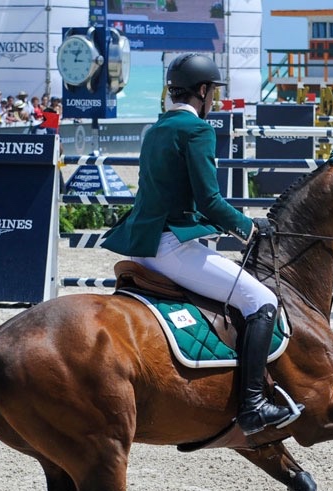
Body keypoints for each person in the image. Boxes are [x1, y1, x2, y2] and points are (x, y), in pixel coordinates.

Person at [100, 53, 302, 435]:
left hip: (141, 246)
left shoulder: (157, 128)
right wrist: (249, 228)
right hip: (171, 248)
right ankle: (254, 404)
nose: (216, 101)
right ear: (204, 91)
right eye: (214, 93)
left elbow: (173, 195)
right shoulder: (198, 131)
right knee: (262, 301)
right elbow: (209, 200)